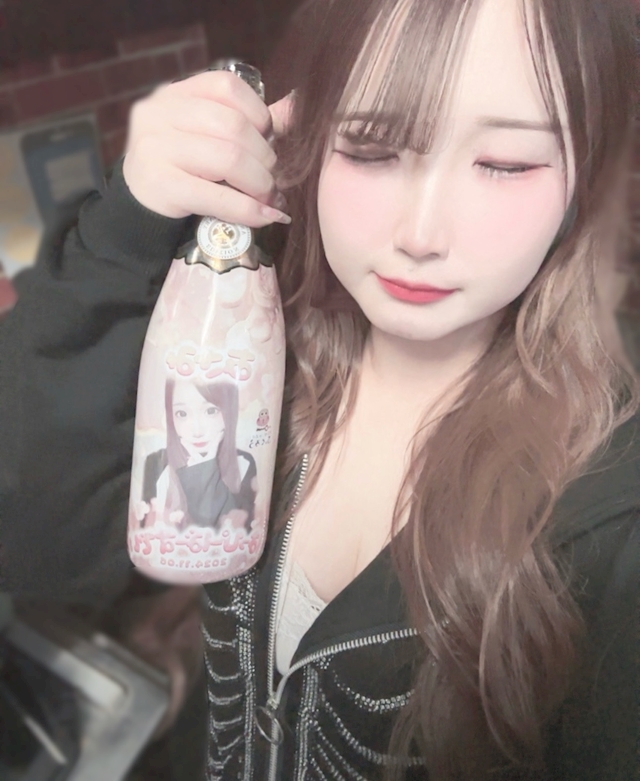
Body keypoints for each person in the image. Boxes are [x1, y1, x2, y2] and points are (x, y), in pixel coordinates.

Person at [0, 1, 638, 780]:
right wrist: (125, 233)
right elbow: (37, 545)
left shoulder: (613, 504)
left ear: (583, 173)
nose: (421, 233)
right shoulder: (243, 354)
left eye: (505, 163)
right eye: (371, 148)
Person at [137, 378, 258, 531]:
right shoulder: (156, 463)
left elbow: (236, 530)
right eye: (182, 414)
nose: (197, 431)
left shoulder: (243, 463)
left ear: (229, 410)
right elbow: (145, 530)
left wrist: (206, 467)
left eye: (211, 411)